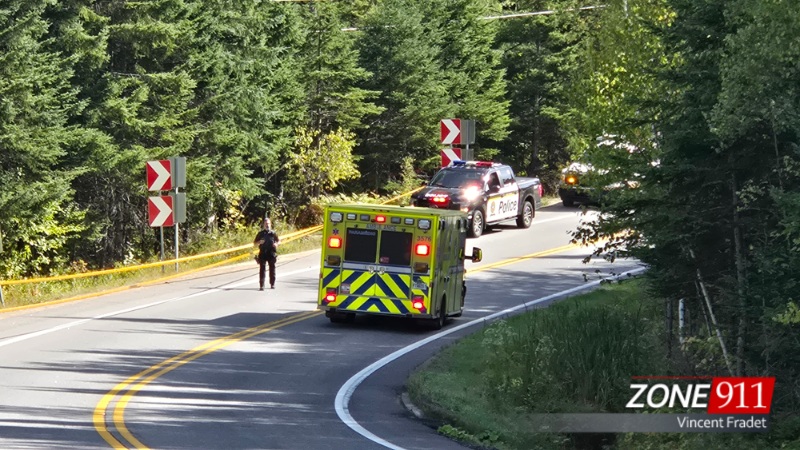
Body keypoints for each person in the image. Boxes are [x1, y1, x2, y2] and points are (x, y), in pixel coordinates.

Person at [253, 218, 280, 290]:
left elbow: (278, 241)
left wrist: (276, 244)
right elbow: (254, 243)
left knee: (272, 269)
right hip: (263, 253)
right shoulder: (260, 234)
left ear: (270, 224)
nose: (267, 225)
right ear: (263, 225)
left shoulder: (273, 233)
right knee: (262, 269)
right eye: (266, 224)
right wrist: (259, 242)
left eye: (268, 223)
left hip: (271, 253)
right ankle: (262, 285)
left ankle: (272, 284)